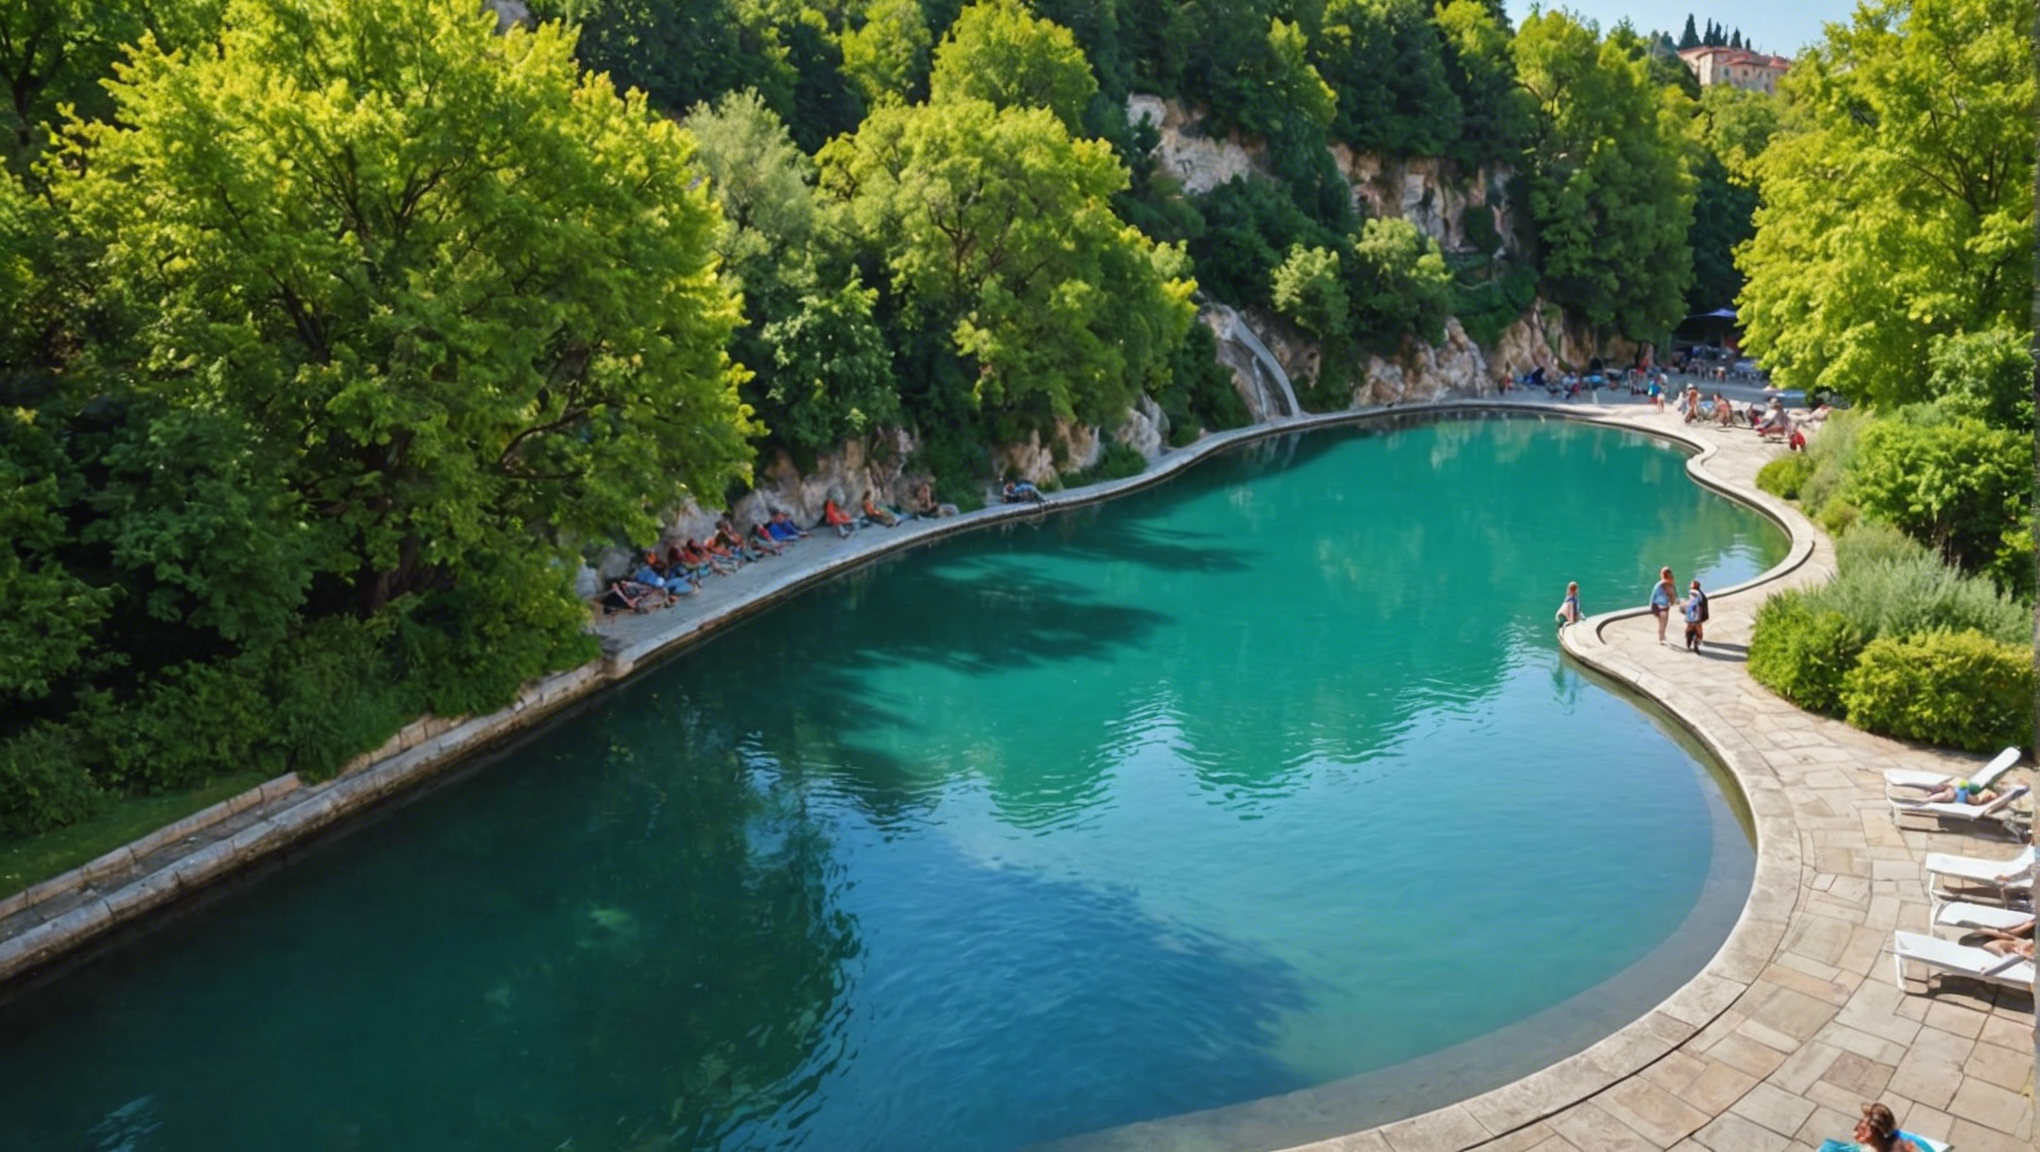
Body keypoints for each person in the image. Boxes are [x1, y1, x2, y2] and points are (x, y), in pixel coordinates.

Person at [1648, 566, 1676, 644]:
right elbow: (1672, 596)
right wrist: (1673, 602)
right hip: (1661, 607)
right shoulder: (1666, 584)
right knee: (1663, 623)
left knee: (1661, 622)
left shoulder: (1660, 583)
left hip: (1654, 606)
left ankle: (1661, 636)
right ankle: (1661, 638)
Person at [1682, 579, 1708, 652]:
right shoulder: (1699, 594)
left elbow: (1697, 605)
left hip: (1695, 616)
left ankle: (1692, 644)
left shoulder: (1696, 594)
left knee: (1694, 629)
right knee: (1695, 629)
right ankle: (1693, 643)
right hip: (1695, 616)